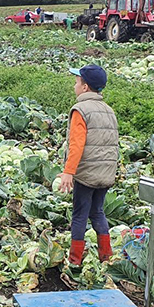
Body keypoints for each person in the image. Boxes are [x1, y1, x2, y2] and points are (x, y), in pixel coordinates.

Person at [57, 65, 118, 266]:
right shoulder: (109, 110)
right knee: (97, 211)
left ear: (84, 87)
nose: (74, 85)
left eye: (77, 82)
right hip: (105, 174)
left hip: (87, 174)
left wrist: (68, 172)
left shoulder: (80, 110)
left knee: (79, 215)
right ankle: (106, 257)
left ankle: (74, 261)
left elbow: (76, 145)